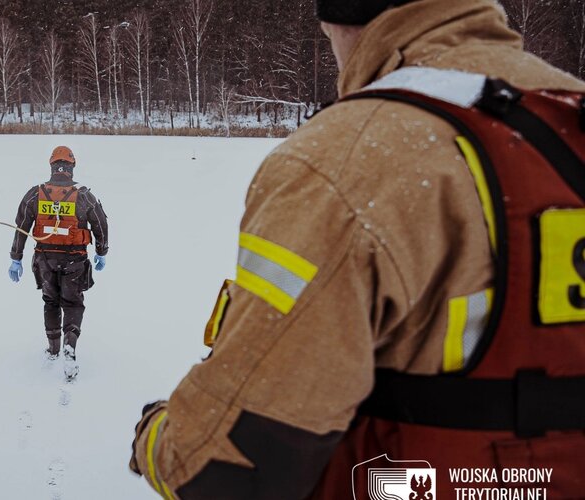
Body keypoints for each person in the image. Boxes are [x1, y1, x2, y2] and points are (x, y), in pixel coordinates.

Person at [128, 0, 585, 498]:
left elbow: (231, 468)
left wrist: (156, 438)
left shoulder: (349, 158)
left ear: (341, 18)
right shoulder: (568, 111)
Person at [8, 146, 109, 375]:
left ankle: (53, 349)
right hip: (75, 259)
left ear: (52, 167)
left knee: (50, 302)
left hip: (45, 259)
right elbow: (101, 223)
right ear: (72, 168)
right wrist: (101, 252)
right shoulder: (84, 195)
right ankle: (69, 348)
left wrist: (16, 258)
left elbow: (21, 227)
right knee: (72, 303)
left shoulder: (35, 194)